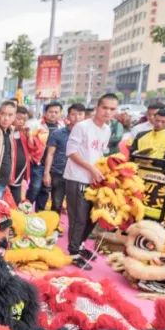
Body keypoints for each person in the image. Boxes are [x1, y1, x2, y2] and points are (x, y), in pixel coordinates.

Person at [64, 92, 118, 268]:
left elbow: (100, 154)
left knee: (91, 217)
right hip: (77, 177)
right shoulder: (82, 127)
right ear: (97, 107)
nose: (107, 112)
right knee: (78, 218)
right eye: (104, 108)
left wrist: (103, 172)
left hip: (95, 181)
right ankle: (73, 253)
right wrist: (91, 168)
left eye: (112, 109)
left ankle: (80, 246)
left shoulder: (107, 129)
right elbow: (71, 152)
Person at [43, 103, 86, 213]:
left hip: (79, 175)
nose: (77, 117)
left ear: (84, 116)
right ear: (68, 116)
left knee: (77, 205)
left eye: (80, 114)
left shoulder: (87, 134)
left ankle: (74, 229)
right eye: (73, 114)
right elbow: (50, 154)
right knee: (56, 203)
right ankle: (54, 226)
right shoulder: (57, 133)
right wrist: (47, 173)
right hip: (59, 172)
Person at [26, 102, 62, 209]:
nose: (53, 114)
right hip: (39, 163)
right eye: (50, 112)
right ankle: (25, 209)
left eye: (56, 112)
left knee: (46, 189)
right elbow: (28, 142)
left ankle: (39, 213)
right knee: (35, 187)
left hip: (54, 165)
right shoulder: (36, 125)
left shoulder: (61, 127)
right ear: (45, 113)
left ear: (60, 113)